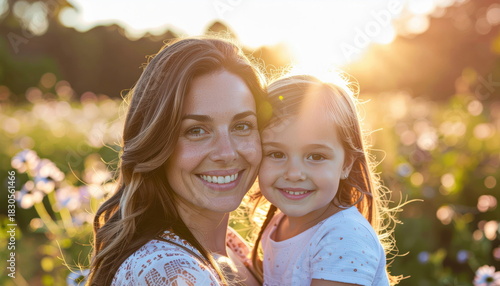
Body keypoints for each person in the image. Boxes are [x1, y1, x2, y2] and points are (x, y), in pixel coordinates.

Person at [88, 37, 267, 286]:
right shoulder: (172, 274)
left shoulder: (232, 247)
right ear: (156, 142)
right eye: (196, 130)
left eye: (242, 126)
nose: (226, 153)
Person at [251, 74, 400, 285]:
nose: (294, 173)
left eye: (316, 156)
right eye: (276, 154)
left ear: (346, 164)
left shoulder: (344, 236)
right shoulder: (279, 223)